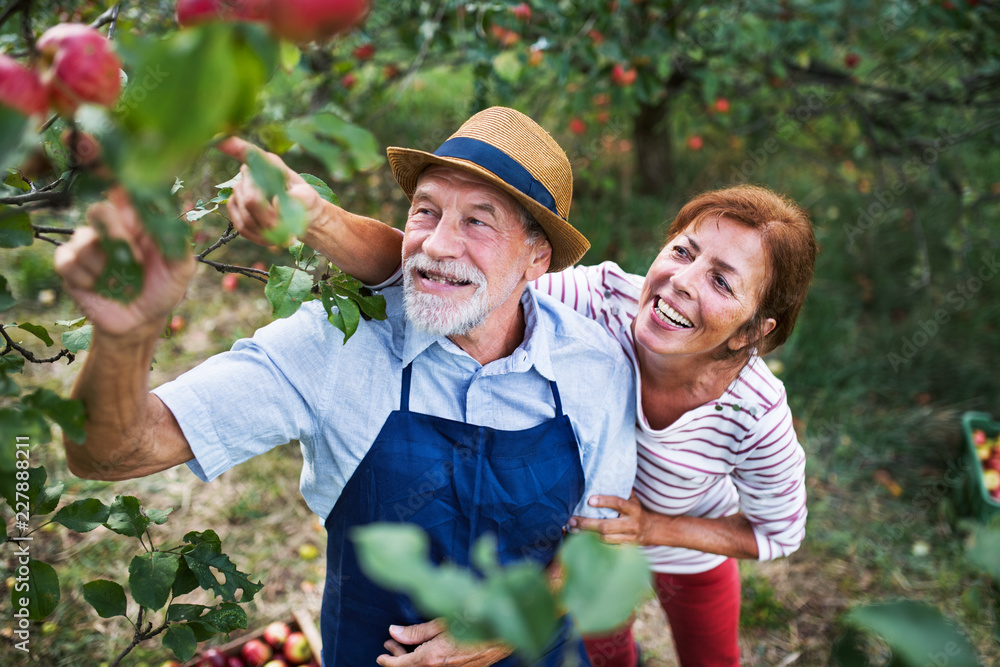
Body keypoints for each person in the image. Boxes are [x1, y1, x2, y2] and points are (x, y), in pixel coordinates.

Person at [54, 106, 638, 666]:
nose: (435, 245)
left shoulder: (593, 366)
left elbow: (601, 540)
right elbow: (108, 452)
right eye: (425, 211)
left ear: (537, 256)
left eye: (477, 222)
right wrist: (124, 332)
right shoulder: (336, 344)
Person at [278, 181, 817, 667]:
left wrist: (653, 529)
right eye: (682, 251)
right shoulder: (601, 300)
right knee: (607, 654)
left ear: (751, 331)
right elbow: (461, 274)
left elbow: (778, 531)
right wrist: (314, 219)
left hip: (687, 550)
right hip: (588, 545)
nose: (682, 281)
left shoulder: (754, 413)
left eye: (722, 282)